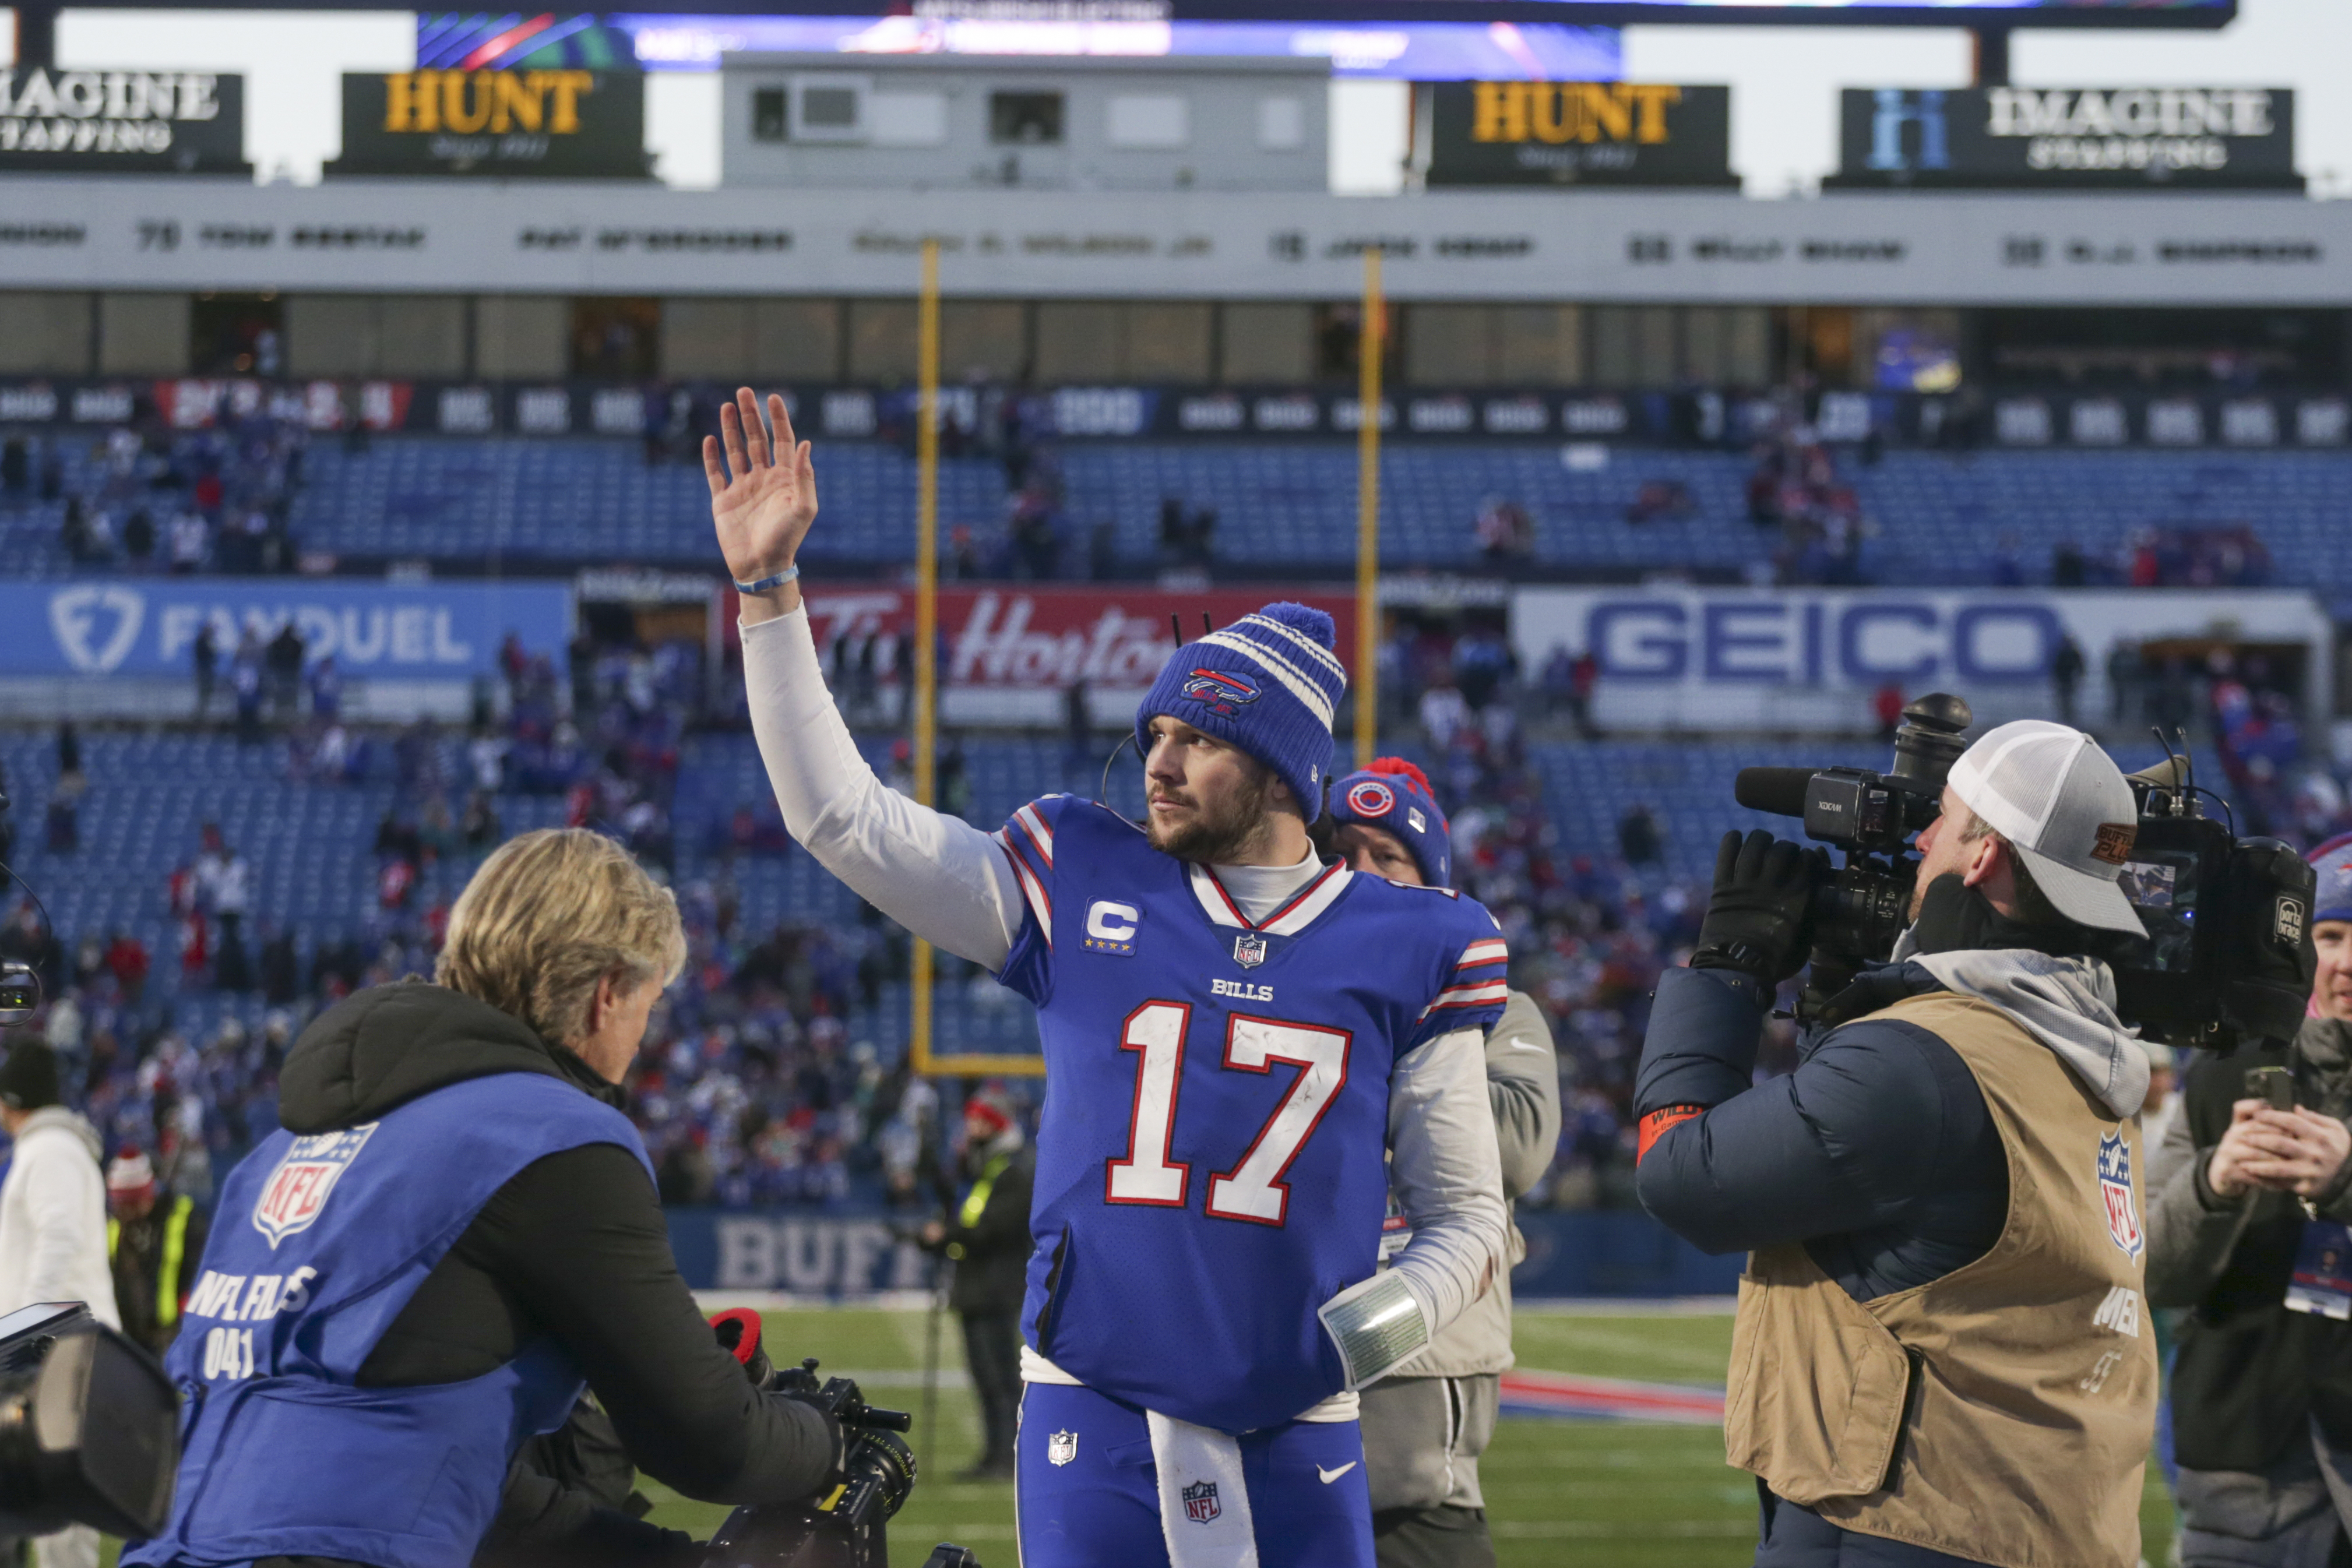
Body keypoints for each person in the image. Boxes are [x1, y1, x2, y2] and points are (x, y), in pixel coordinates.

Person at [710, 387, 1511, 1568]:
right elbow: (841, 819)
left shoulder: (1412, 939)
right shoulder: (1080, 880)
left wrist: (1367, 1328)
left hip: (1303, 1409)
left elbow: (1464, 1215)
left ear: (1281, 769)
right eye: (1153, 735)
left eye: (1196, 738)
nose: (1160, 761)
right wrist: (769, 596)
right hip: (1094, 1389)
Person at [124, 829, 843, 1568]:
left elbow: (447, 1483)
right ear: (606, 995)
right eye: (648, 1006)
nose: (643, 1037)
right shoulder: (551, 1137)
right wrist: (827, 1439)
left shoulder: (273, 1157)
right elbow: (707, 1440)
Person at [1636, 720, 2159, 1567]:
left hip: (1910, 1515)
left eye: (1943, 821)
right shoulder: (2087, 1048)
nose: (1919, 840)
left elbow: (1683, 1176)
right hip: (2054, 1516)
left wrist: (1727, 967)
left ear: (1983, 855)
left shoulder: (1922, 1060)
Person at [1330, 760, 1561, 1568]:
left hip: (1421, 1358)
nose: (1360, 873)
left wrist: (1373, 1052)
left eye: (1386, 856)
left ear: (1435, 883)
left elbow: (1521, 1144)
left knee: (1420, 1513)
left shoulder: (1498, 1007)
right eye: (1342, 850)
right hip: (1292, 1338)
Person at [2147, 832, 2352, 1564]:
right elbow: (2149, 1270)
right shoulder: (2223, 1068)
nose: (2347, 963)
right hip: (2246, 1479)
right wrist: (2212, 1183)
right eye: (2329, 935)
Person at [0, 1040, 121, 1568]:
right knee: (51, 1508)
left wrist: (23, 1331)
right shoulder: (53, 1148)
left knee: (59, 1513)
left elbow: (58, 1234)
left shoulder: (49, 1150)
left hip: (58, 1347)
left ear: (12, 1098)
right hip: (64, 1342)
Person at [920, 1087, 1035, 1481]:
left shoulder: (1013, 1169)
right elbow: (964, 1212)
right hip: (976, 1285)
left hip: (997, 1287)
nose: (971, 1125)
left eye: (979, 1117)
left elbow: (993, 1227)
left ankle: (1009, 1455)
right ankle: (993, 1454)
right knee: (984, 1376)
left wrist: (947, 1233)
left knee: (1000, 1376)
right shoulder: (980, 1165)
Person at [105, 1147, 209, 1359]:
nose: (126, 1212)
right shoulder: (113, 1228)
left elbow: (201, 1272)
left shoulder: (184, 1219)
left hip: (176, 1336)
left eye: (132, 1203)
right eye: (121, 1204)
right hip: (128, 1341)